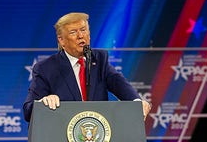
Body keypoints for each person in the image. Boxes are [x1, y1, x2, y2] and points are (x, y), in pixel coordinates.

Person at [22, 12, 151, 122]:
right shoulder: (46, 68)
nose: (80, 36)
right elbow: (28, 110)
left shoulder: (99, 59)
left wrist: (137, 102)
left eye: (83, 30)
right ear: (61, 40)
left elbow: (119, 83)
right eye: (73, 32)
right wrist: (43, 102)